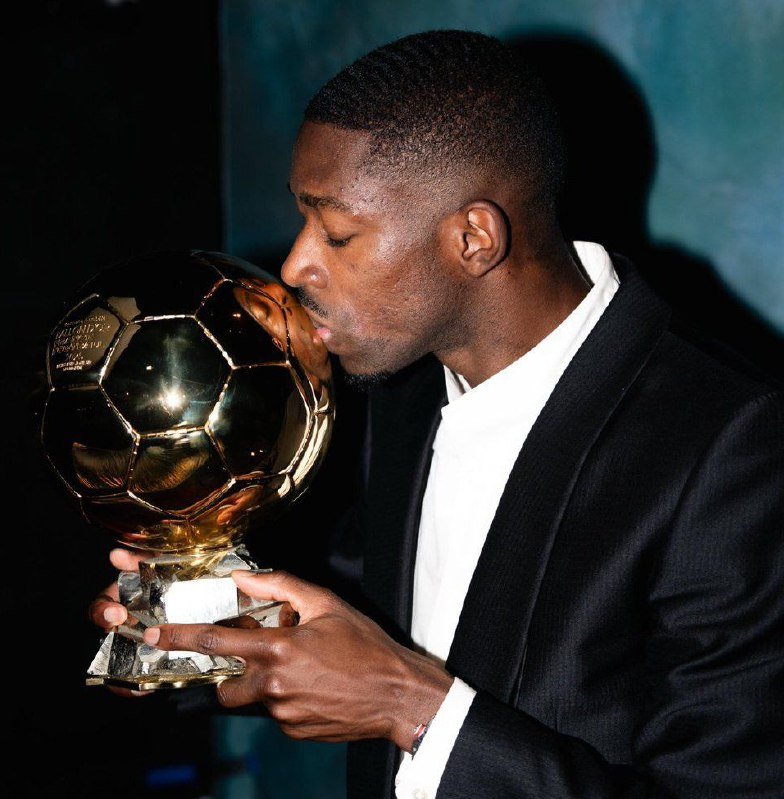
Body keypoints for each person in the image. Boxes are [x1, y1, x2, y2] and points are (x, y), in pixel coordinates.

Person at [91, 31, 784, 798]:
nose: (294, 264)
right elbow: (375, 615)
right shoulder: (403, 389)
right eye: (303, 219)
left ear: (473, 238)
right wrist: (202, 626)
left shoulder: (734, 445)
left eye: (338, 233)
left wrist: (411, 708)